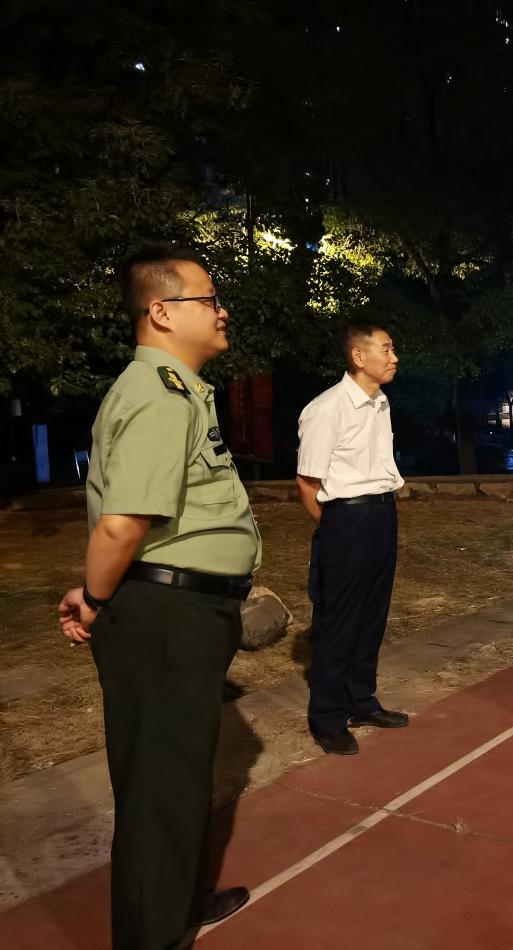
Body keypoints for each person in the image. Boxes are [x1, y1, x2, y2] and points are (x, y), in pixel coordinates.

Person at [57, 244, 259, 948]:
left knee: (176, 775)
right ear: (163, 312)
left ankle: (175, 905)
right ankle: (153, 934)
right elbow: (123, 522)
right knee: (160, 785)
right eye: (209, 299)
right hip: (167, 615)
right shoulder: (157, 395)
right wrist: (94, 597)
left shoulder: (176, 391)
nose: (222, 310)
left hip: (177, 609)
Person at [296, 323, 408, 755]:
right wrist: (335, 529)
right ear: (359, 357)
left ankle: (361, 700)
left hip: (382, 514)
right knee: (339, 621)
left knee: (372, 616)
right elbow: (307, 483)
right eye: (387, 349)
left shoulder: (381, 403)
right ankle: (327, 717)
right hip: (346, 520)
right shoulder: (327, 409)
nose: (394, 358)